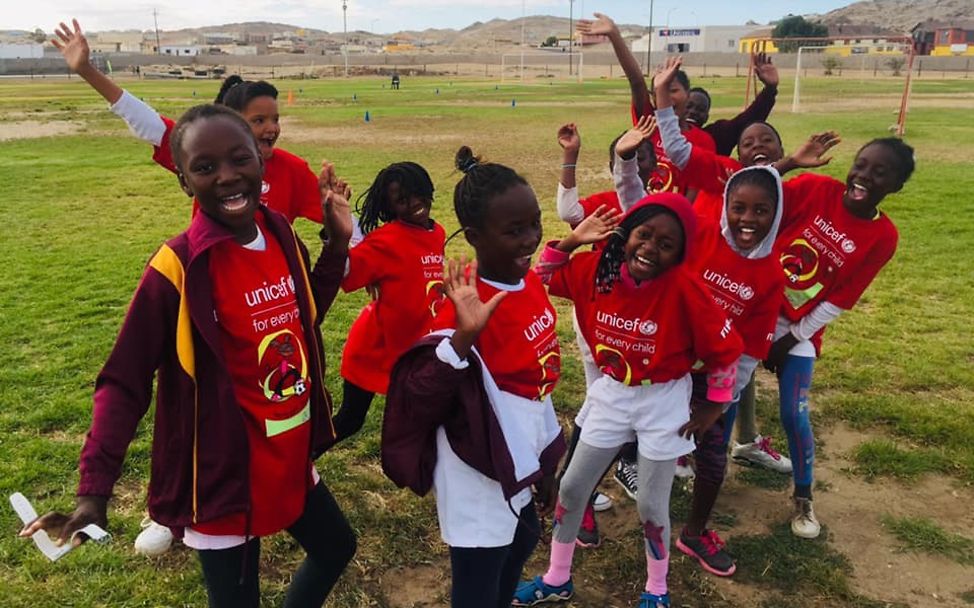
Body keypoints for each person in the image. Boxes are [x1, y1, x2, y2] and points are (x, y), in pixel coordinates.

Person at [19, 104, 357, 607]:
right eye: (205, 167)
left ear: (262, 165)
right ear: (184, 181)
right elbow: (123, 382)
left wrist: (337, 244)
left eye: (240, 159)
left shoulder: (281, 233)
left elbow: (302, 319)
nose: (227, 176)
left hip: (287, 457)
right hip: (220, 476)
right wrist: (94, 492)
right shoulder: (176, 267)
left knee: (336, 547)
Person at [514, 193, 743, 608]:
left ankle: (657, 590)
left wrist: (714, 405)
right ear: (626, 234)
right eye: (643, 234)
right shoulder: (597, 271)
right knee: (571, 486)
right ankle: (557, 578)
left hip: (664, 400)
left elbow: (725, 351)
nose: (651, 247)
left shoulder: (687, 290)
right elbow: (541, 276)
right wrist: (572, 241)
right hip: (612, 392)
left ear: (679, 255)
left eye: (666, 243)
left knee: (651, 504)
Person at [381, 147, 572, 608]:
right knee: (479, 580)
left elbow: (536, 385)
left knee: (522, 544)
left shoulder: (526, 281)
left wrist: (543, 464)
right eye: (513, 231)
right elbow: (419, 395)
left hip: (520, 450)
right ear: (474, 236)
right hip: (477, 462)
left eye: (534, 224)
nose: (529, 239)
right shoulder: (464, 305)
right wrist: (464, 338)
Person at [616, 159, 787, 575]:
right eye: (739, 208)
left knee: (711, 459)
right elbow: (647, 229)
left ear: (776, 214)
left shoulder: (769, 276)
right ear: (725, 206)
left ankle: (694, 533)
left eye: (761, 211)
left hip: (712, 382)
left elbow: (745, 354)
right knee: (615, 429)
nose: (748, 220)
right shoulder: (699, 237)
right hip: (660, 363)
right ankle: (582, 502)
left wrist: (718, 404)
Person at [766, 137, 915, 539]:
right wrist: (789, 163)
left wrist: (788, 340)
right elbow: (756, 200)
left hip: (798, 330)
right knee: (722, 397)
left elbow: (841, 299)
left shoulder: (883, 236)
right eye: (861, 164)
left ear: (896, 186)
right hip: (755, 309)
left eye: (879, 172)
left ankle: (803, 496)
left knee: (793, 414)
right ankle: (705, 470)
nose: (864, 176)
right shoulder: (815, 189)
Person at [52, 19, 327, 225]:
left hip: (269, 291)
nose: (272, 128)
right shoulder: (201, 152)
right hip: (212, 287)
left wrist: (334, 203)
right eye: (259, 120)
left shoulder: (293, 169)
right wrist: (87, 70)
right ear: (232, 126)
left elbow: (341, 224)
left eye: (275, 119)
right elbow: (143, 120)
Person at [330, 161, 446, 442]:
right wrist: (337, 228)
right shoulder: (386, 240)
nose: (415, 203)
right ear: (390, 207)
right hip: (373, 348)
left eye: (418, 192)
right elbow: (346, 268)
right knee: (350, 420)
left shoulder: (437, 231)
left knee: (434, 415)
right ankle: (299, 464)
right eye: (402, 200)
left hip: (412, 347)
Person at [576, 12, 715, 199]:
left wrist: (678, 222)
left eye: (672, 90)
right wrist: (615, 35)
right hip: (638, 209)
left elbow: (696, 190)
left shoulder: (703, 141)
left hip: (673, 220)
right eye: (660, 91)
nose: (667, 97)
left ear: (688, 94)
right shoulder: (648, 123)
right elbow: (636, 82)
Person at [685, 52, 780, 156]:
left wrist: (770, 89)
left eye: (700, 109)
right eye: (688, 106)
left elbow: (748, 118)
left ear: (706, 117)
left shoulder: (717, 136)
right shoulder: (666, 133)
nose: (693, 112)